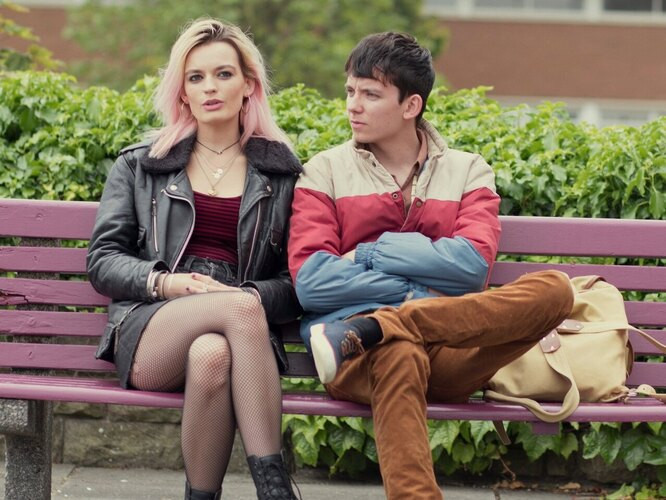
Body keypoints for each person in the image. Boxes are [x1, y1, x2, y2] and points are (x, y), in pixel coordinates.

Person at [288, 32, 574, 499]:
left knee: (556, 290)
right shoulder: (324, 171)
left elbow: (471, 267)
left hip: (451, 351)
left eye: (370, 94)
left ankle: (379, 327)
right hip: (354, 355)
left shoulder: (468, 171)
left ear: (411, 105)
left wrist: (369, 253)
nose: (353, 106)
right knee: (399, 350)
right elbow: (313, 282)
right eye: (350, 91)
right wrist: (418, 290)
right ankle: (381, 332)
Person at [87, 18, 302, 500]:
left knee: (212, 355)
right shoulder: (141, 165)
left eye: (224, 74)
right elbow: (103, 260)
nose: (210, 87)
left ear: (249, 85)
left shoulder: (281, 175)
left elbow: (295, 281)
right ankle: (276, 491)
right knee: (241, 308)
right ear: (182, 91)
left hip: (238, 336)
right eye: (196, 77)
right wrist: (167, 283)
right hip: (153, 323)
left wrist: (246, 297)